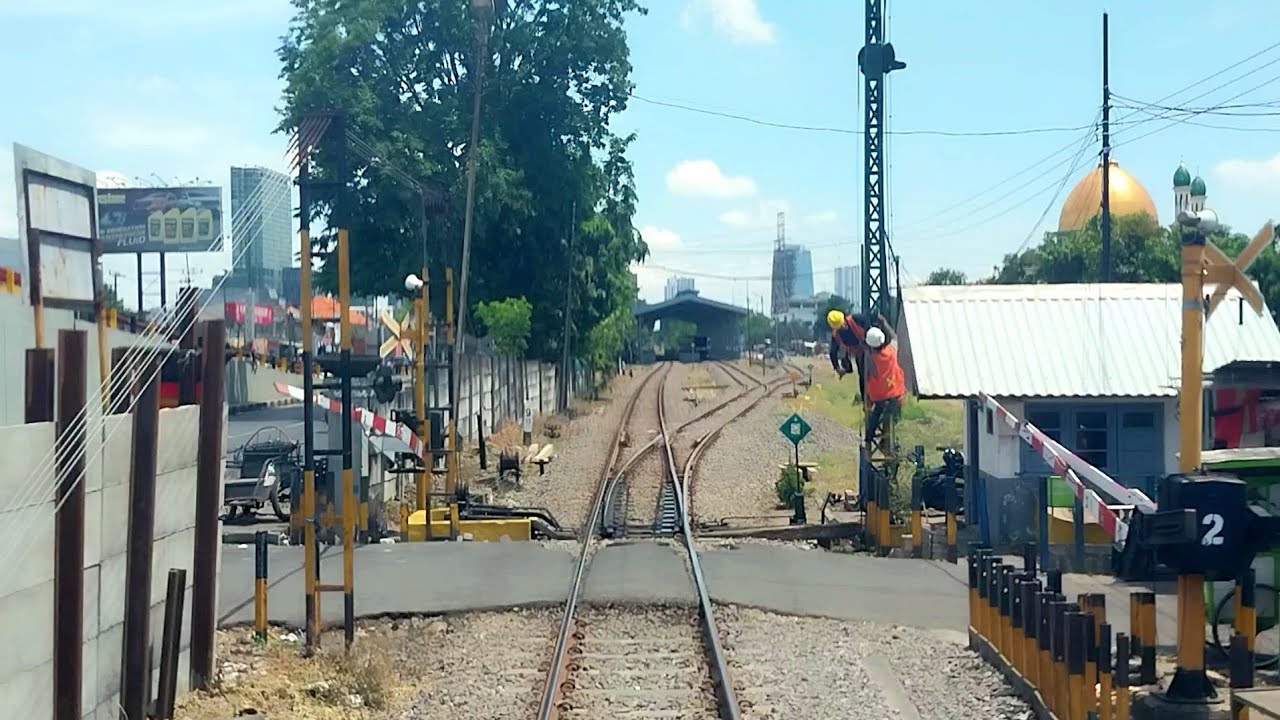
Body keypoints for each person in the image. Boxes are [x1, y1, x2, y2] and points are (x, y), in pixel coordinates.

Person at [862, 325, 905, 450]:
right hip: (896, 393)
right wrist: (884, 322)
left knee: (876, 414)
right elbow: (894, 337)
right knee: (892, 415)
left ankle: (870, 436)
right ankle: (887, 441)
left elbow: (868, 374)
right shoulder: (892, 351)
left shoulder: (871, 358)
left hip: (879, 396)